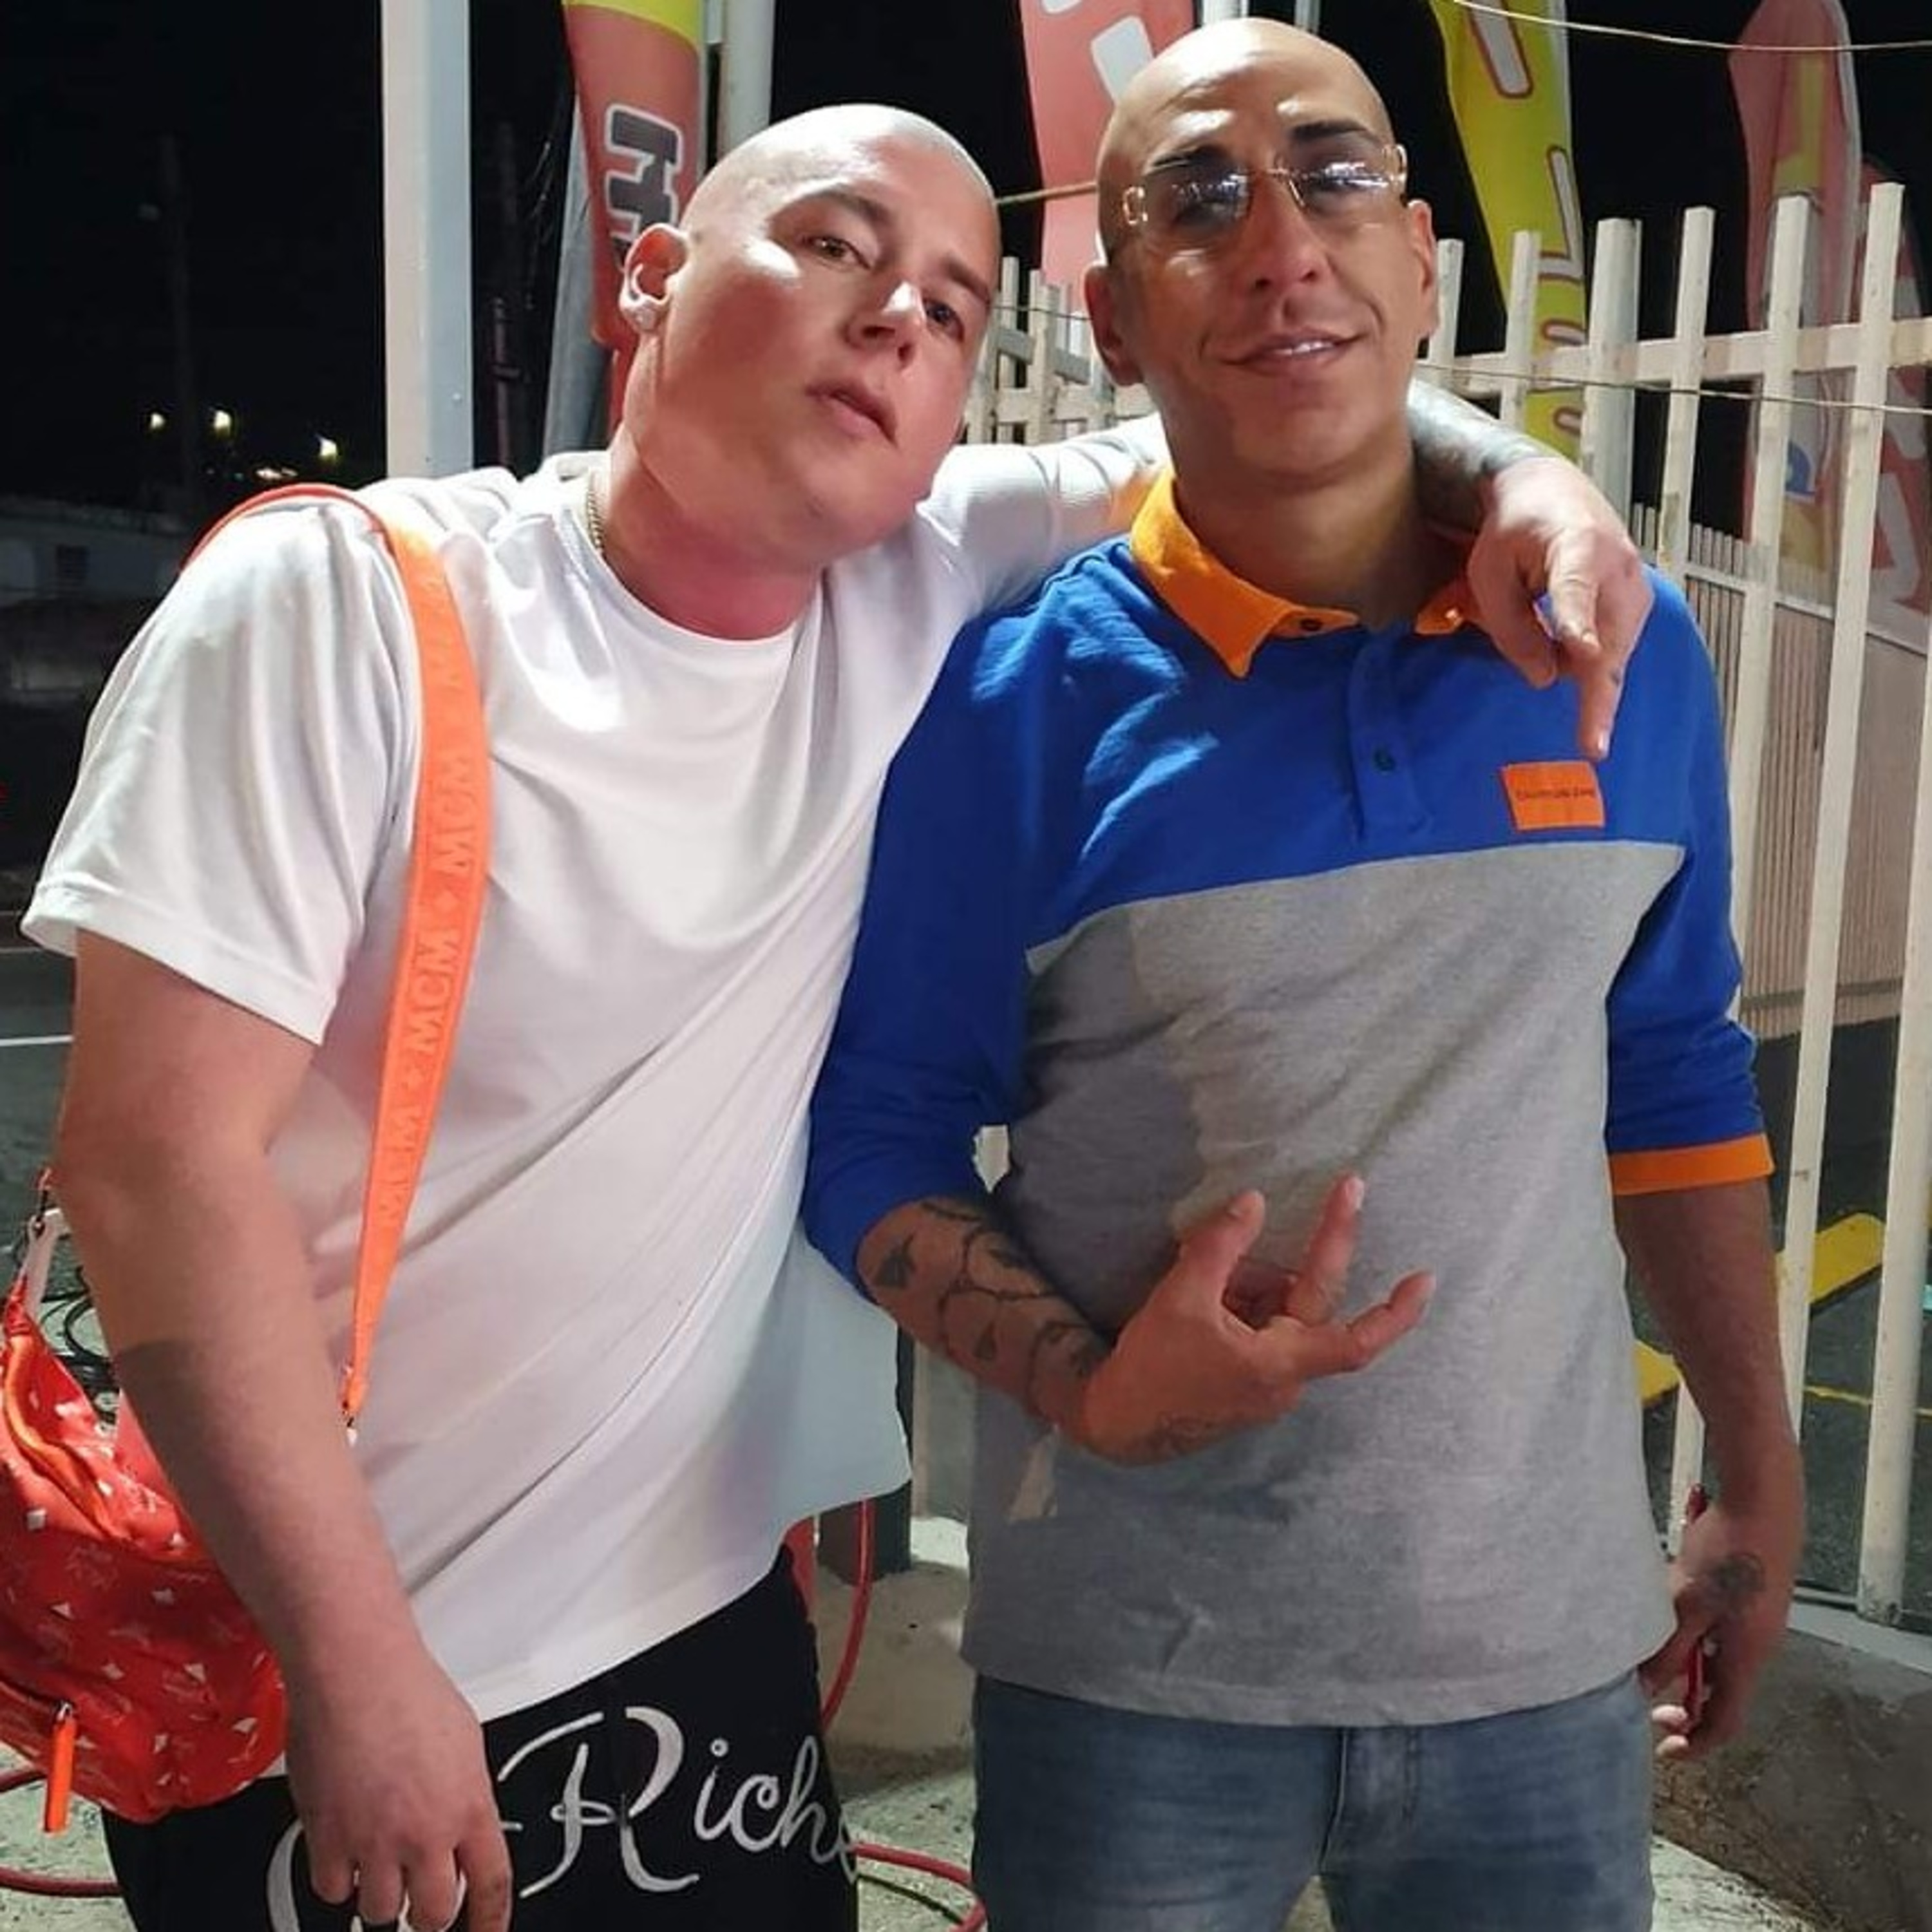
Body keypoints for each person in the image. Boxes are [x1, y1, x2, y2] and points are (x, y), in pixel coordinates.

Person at [25, 94, 1651, 1932]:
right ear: (650, 281)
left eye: (952, 307)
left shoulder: (918, 574)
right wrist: (361, 1668)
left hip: (702, 1631)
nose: (896, 317)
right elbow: (155, 1167)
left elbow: (1281, 385)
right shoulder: (350, 604)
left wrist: (1532, 482)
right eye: (831, 246)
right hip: (332, 1653)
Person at [802, 24, 1804, 1932]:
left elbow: (1672, 1076)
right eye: (1199, 202)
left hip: (1543, 1664)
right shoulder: (1013, 702)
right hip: (1131, 1684)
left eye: (1337, 178)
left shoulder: (1613, 644)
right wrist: (1096, 1389)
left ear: (1420, 259)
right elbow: (873, 1137)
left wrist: (1754, 1483)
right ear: (1113, 319)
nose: (1282, 248)